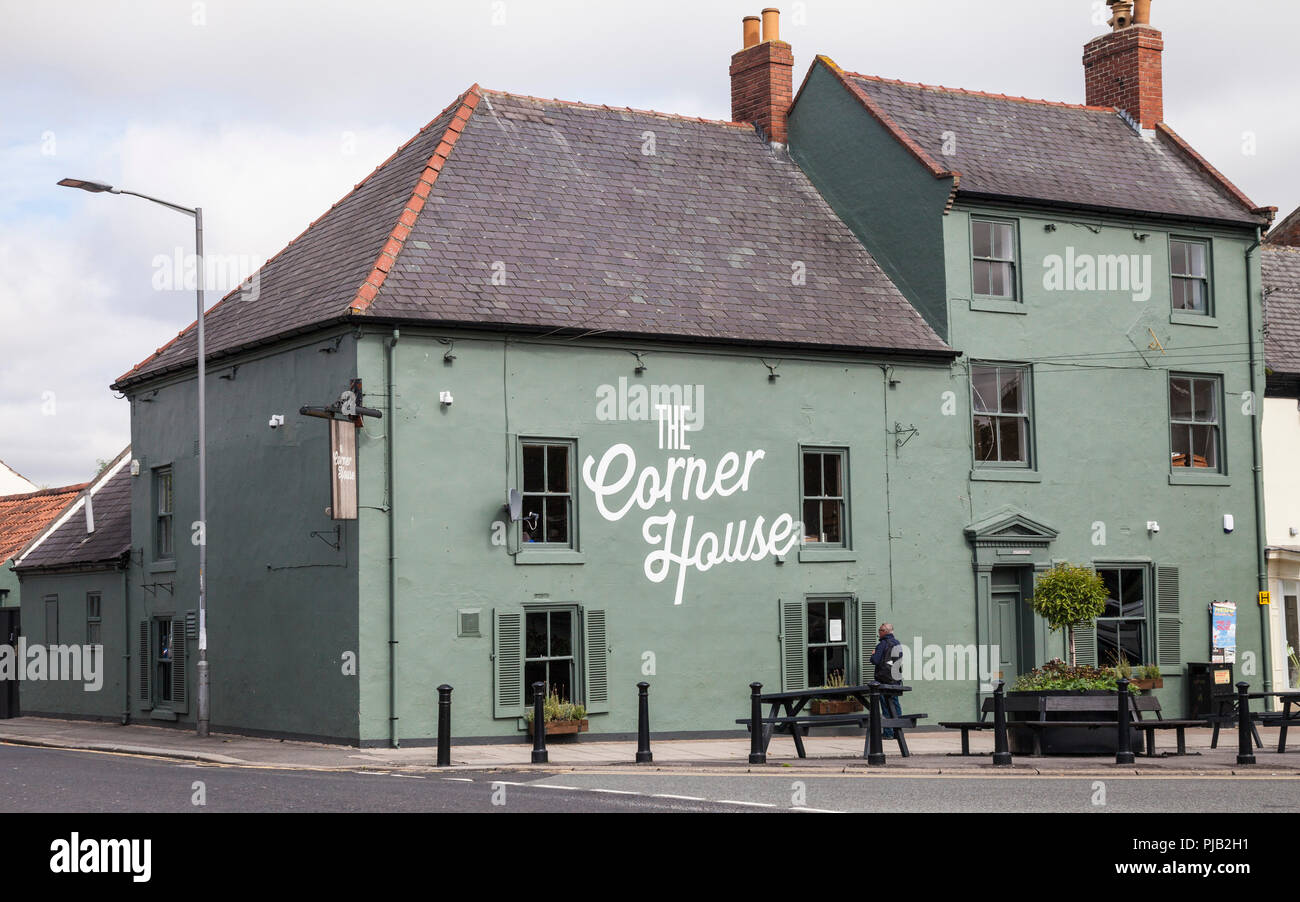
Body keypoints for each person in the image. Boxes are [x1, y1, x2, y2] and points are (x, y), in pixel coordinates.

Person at [870, 622, 904, 739]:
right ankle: (898, 732)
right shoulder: (897, 644)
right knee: (895, 704)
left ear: (885, 631)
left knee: (885, 706)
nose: (878, 633)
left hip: (884, 680)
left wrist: (873, 654)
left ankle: (888, 733)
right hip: (895, 679)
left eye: (880, 630)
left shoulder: (882, 644)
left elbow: (875, 660)